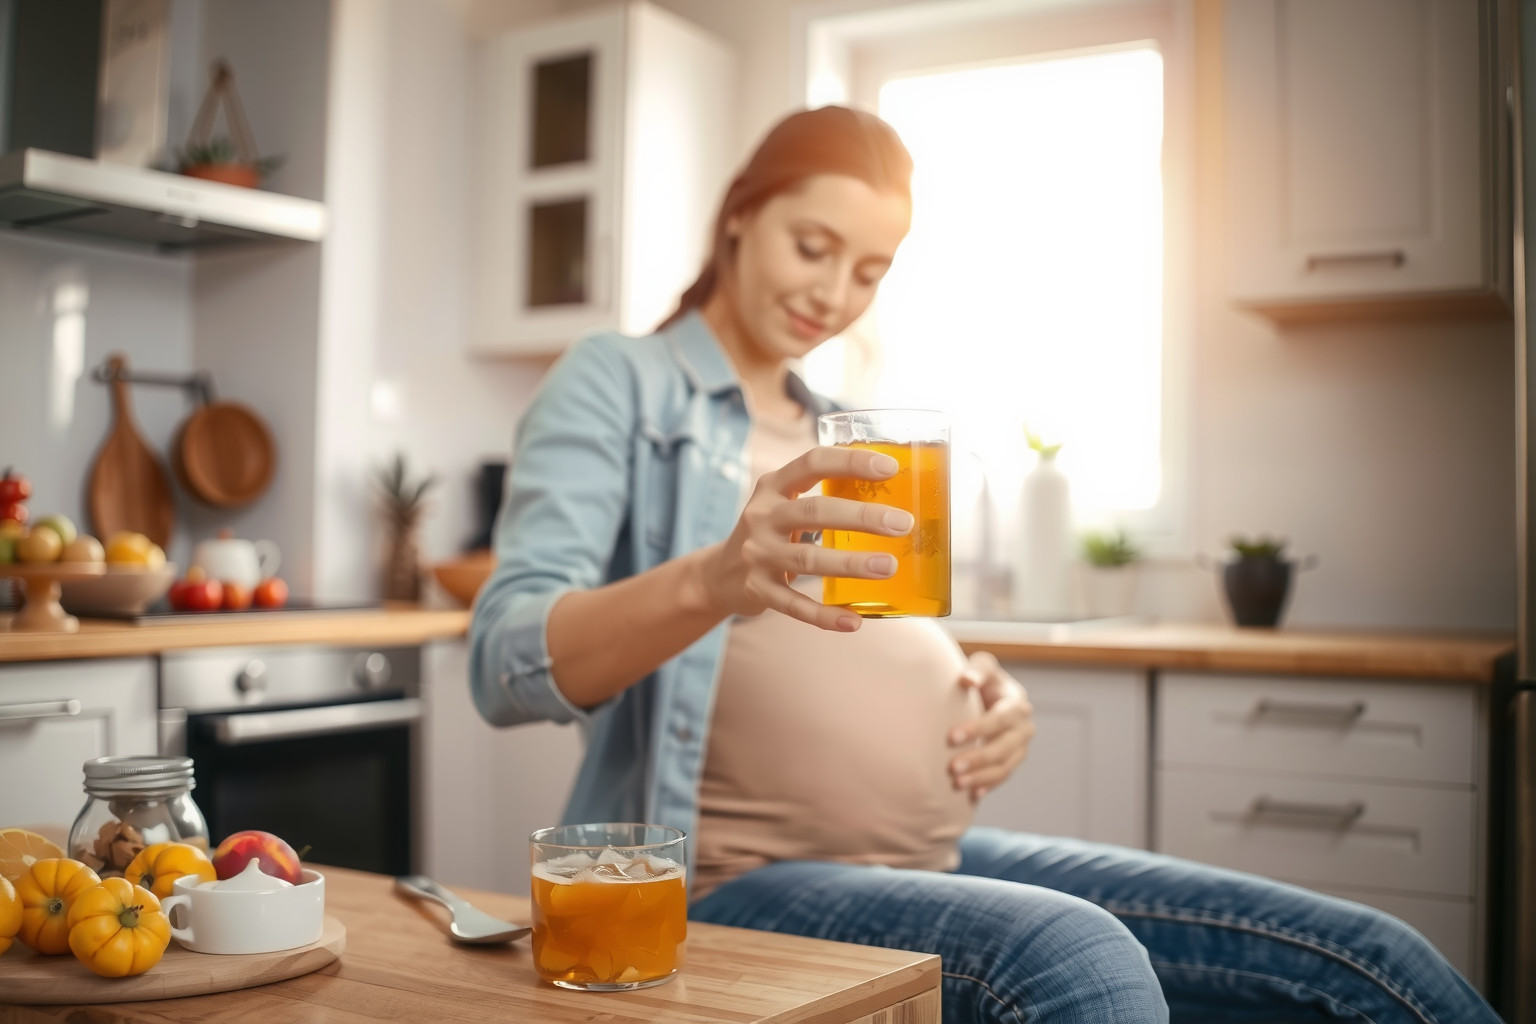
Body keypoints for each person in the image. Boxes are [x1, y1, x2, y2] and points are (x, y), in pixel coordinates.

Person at [469, 105, 1502, 1023]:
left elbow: (879, 635)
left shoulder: (844, 428)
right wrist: (712, 578)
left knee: (1362, 953)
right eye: (814, 246)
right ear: (740, 212)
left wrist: (974, 683)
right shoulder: (623, 382)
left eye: (869, 270)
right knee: (1075, 959)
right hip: (730, 879)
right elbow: (504, 659)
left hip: (925, 858)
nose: (834, 292)